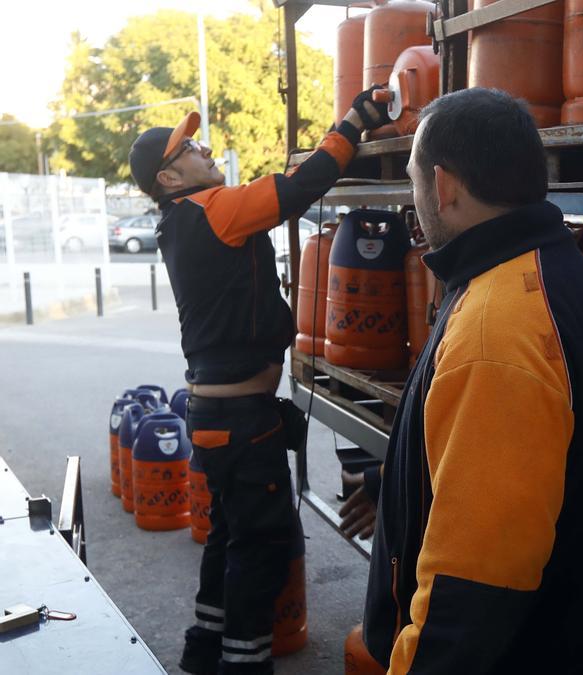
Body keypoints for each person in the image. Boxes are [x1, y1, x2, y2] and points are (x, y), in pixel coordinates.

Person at [352, 88, 583, 673]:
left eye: (414, 180)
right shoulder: (547, 272)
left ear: (445, 185)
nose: (414, 199)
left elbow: (472, 587)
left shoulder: (498, 326)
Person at [127, 86, 391, 675]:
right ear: (170, 179)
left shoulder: (183, 220)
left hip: (219, 417)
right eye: (189, 148)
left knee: (230, 536)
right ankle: (244, 665)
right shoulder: (212, 208)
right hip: (241, 422)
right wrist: (354, 123)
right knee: (261, 545)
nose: (202, 149)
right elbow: (301, 187)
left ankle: (205, 648)